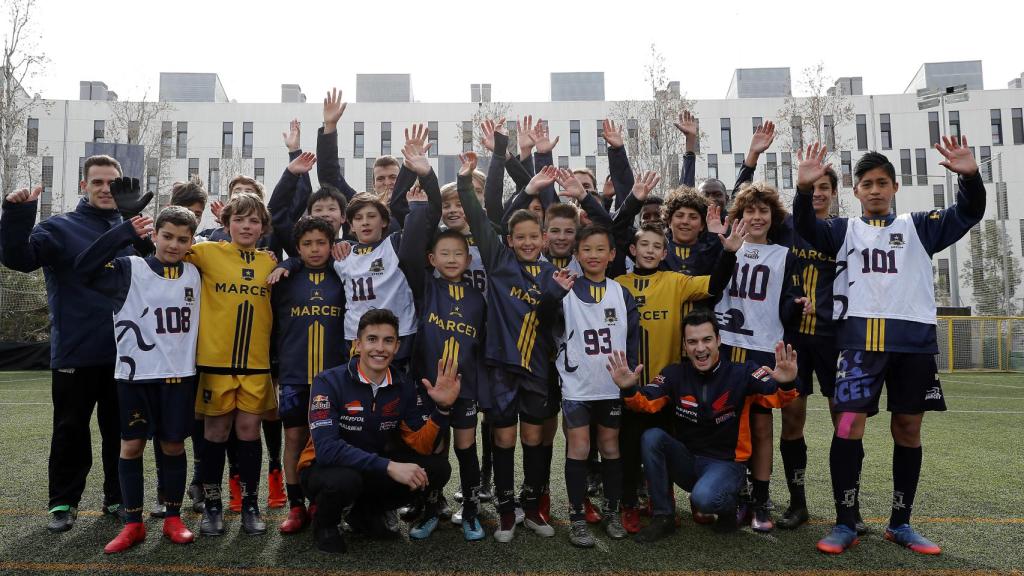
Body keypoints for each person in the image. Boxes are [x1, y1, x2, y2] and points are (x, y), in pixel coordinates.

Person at [794, 138, 985, 555]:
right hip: (859, 344)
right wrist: (804, 190)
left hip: (912, 343)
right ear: (856, 191)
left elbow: (969, 212)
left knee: (908, 428)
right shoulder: (842, 230)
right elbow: (805, 227)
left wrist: (970, 177)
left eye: (882, 182)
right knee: (848, 426)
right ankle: (845, 522)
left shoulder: (919, 226)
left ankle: (901, 523)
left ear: (895, 187)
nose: (875, 189)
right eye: (867, 183)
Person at [1, 156, 153, 532]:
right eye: (98, 182)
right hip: (75, 350)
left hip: (127, 355)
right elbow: (18, 259)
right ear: (84, 186)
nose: (105, 189)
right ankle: (62, 502)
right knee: (70, 429)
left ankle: (117, 497)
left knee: (121, 431)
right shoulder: (58, 228)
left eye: (113, 183)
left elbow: (158, 273)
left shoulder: (135, 228)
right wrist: (16, 214)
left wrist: (143, 238)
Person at [457, 151, 575, 542]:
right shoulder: (499, 261)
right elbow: (476, 215)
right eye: (519, 237)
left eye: (533, 237)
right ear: (509, 240)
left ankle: (532, 506)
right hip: (501, 368)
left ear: (544, 239)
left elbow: (550, 323)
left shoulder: (556, 275)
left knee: (535, 439)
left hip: (539, 370)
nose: (527, 242)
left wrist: (554, 295)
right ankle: (507, 512)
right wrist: (463, 181)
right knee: (504, 438)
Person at [73, 206, 202, 553]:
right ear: (154, 235)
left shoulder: (196, 272)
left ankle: (174, 518)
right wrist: (123, 232)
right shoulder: (131, 269)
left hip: (179, 377)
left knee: (173, 446)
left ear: (192, 241)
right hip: (135, 376)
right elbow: (82, 269)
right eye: (167, 236)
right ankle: (133, 524)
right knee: (131, 446)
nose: (174, 244)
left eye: (183, 239)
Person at [610, 310, 800, 543]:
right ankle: (664, 517)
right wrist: (629, 388)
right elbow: (645, 403)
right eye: (692, 342)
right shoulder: (674, 374)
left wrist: (787, 381)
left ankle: (731, 505)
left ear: (718, 340)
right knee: (652, 437)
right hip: (689, 462)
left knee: (704, 499)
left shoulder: (743, 372)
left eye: (706, 340)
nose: (700, 348)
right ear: (685, 346)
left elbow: (777, 398)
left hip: (727, 465)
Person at [297, 309, 459, 553]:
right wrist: (389, 466)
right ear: (358, 344)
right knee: (344, 480)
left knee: (437, 469)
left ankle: (364, 513)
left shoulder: (402, 385)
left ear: (397, 347)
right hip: (324, 469)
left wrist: (443, 409)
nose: (380, 348)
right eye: (372, 339)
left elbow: (422, 445)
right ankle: (325, 524)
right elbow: (327, 450)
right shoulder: (328, 381)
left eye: (388, 340)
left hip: (371, 468)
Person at [714, 182, 809, 532]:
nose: (756, 216)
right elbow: (709, 290)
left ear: (773, 217)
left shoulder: (785, 254)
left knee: (761, 425)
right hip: (724, 346)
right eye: (749, 210)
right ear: (738, 216)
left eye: (763, 211)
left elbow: (787, 303)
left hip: (763, 348)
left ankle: (761, 499)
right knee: (727, 424)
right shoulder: (725, 247)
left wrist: (798, 305)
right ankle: (736, 494)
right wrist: (725, 252)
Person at [399, 170, 487, 540]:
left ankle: (470, 509)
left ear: (468, 260)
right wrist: (421, 205)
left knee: (467, 449)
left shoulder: (477, 299)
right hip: (427, 386)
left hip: (464, 389)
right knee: (433, 451)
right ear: (431, 258)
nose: (451, 259)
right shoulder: (424, 288)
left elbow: (481, 347)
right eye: (444, 254)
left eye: (458, 255)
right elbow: (408, 251)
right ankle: (432, 507)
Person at [186, 192, 277, 537]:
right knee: (215, 434)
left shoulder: (270, 262)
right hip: (215, 364)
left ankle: (251, 505)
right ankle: (212, 506)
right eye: (239, 219)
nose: (247, 226)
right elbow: (169, 246)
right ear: (225, 224)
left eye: (254, 220)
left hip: (255, 365)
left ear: (263, 227)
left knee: (249, 433)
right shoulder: (207, 252)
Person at [553, 225, 639, 547]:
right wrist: (553, 294)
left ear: (612, 255)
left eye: (600, 249)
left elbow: (632, 339)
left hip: (610, 385)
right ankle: (577, 518)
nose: (593, 255)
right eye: (586, 249)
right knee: (579, 447)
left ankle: (612, 511)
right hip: (577, 385)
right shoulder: (565, 291)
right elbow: (547, 319)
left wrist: (628, 375)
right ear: (577, 254)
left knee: (610, 446)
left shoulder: (621, 293)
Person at [265, 216, 347, 534]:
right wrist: (288, 263)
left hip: (334, 378)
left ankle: (323, 502)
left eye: (321, 242)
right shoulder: (284, 277)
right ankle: (296, 506)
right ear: (298, 248)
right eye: (307, 244)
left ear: (331, 243)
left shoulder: (342, 273)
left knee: (328, 440)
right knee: (294, 438)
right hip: (295, 375)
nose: (315, 249)